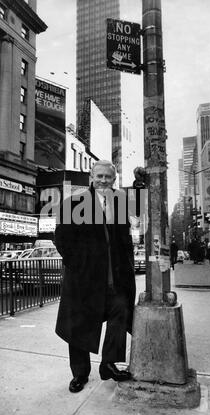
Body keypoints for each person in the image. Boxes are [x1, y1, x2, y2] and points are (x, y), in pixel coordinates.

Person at [54, 160, 145, 393]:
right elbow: (62, 239)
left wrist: (139, 184)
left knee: (121, 312)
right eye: (100, 176)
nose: (104, 180)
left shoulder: (121, 202)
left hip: (114, 280)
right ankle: (79, 374)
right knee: (79, 327)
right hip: (83, 280)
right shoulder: (74, 202)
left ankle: (108, 364)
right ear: (91, 178)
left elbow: (141, 210)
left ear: (114, 180)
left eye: (108, 177)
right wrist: (78, 265)